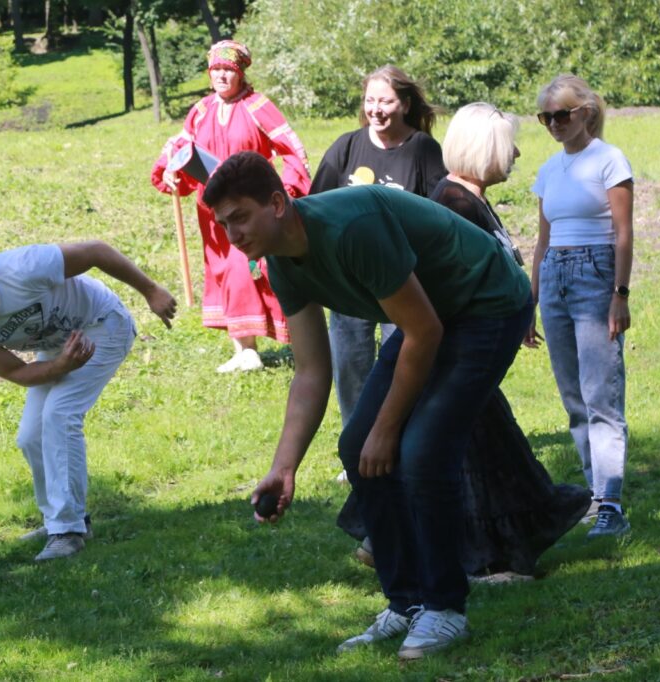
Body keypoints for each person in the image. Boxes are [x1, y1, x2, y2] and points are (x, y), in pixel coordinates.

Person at [203, 151, 532, 660]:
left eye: (240, 217)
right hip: (431, 314)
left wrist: (388, 427)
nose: (233, 233)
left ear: (277, 202)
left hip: (487, 302)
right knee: (357, 446)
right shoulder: (282, 262)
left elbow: (424, 332)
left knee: (422, 452)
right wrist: (284, 467)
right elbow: (312, 370)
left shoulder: (351, 228)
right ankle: (407, 603)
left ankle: (445, 609)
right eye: (224, 224)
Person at [0, 239, 176, 561]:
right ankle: (61, 517)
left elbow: (96, 251)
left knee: (60, 415)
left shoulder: (21, 269)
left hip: (102, 324)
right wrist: (59, 365)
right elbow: (16, 372)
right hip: (60, 349)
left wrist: (151, 291)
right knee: (30, 436)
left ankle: (67, 531)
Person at [429, 103, 592, 580]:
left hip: (478, 355)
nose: (517, 153)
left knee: (497, 451)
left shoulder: (471, 198)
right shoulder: (454, 205)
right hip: (461, 356)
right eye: (508, 147)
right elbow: (451, 287)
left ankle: (498, 547)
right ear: (485, 151)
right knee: (481, 460)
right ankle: (486, 560)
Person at [151, 39, 311, 373]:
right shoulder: (202, 110)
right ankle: (242, 348)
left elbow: (292, 148)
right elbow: (181, 146)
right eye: (217, 70)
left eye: (229, 70)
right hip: (211, 212)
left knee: (249, 268)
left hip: (250, 205)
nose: (222, 76)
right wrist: (169, 168)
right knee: (223, 269)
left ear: (240, 74)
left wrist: (289, 188)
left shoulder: (257, 106)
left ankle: (267, 345)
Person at [527, 74, 635, 537]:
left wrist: (620, 294)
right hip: (555, 278)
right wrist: (529, 303)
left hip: (595, 275)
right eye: (546, 117)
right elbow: (541, 241)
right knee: (573, 396)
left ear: (585, 113)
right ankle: (595, 496)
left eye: (562, 115)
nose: (554, 124)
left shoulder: (609, 160)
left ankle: (611, 503)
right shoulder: (550, 169)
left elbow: (624, 234)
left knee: (601, 395)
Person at [310, 64, 445, 424]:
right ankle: (356, 444)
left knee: (399, 365)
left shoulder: (423, 150)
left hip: (404, 281)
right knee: (351, 368)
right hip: (350, 280)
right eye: (370, 101)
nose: (376, 110)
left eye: (385, 101)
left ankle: (398, 439)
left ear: (403, 103)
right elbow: (314, 207)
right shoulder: (346, 147)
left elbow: (443, 213)